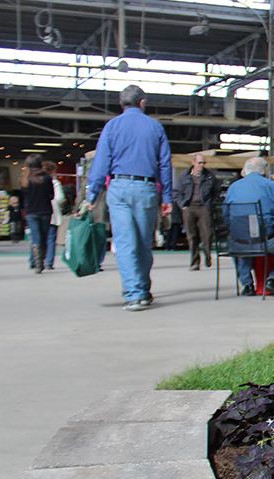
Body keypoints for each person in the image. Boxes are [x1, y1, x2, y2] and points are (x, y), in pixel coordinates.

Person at [82, 84, 173, 311]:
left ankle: (134, 294)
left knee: (125, 244)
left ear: (122, 104)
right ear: (142, 102)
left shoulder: (112, 126)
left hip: (119, 187)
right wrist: (167, 197)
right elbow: (165, 164)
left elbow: (101, 162)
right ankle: (142, 290)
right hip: (146, 189)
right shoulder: (155, 127)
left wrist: (92, 193)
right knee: (143, 243)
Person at [225, 156, 274, 296]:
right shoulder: (273, 186)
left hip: (239, 242)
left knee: (240, 245)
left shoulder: (233, 187)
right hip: (266, 241)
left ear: (246, 170)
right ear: (264, 171)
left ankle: (247, 284)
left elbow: (227, 217)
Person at [173, 153, 218, 270]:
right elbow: (176, 193)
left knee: (207, 234)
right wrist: (182, 205)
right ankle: (194, 262)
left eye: (203, 163)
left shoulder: (210, 176)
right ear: (193, 163)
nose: (202, 165)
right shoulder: (184, 176)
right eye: (199, 163)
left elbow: (216, 192)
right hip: (189, 208)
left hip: (204, 208)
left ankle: (207, 256)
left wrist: (210, 204)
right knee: (191, 236)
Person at [20, 155, 55, 271]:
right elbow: (52, 195)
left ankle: (36, 262)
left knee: (35, 237)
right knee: (44, 237)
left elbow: (22, 197)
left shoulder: (24, 179)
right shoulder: (47, 178)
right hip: (45, 211)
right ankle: (41, 261)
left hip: (30, 212)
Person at [44, 161, 65, 270]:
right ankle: (49, 262)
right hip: (52, 213)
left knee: (38, 238)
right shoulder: (55, 183)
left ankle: (34, 260)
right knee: (51, 238)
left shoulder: (36, 180)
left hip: (39, 213)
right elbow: (60, 198)